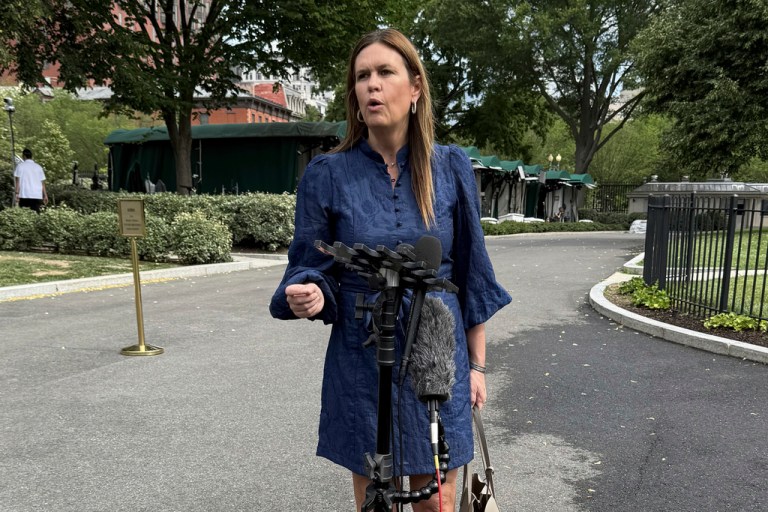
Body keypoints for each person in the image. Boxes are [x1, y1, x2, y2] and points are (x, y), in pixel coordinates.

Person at [269, 28, 511, 512]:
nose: (372, 86)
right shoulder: (327, 174)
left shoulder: (450, 166)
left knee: (436, 496)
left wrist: (478, 365)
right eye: (362, 76)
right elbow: (308, 265)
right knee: (374, 494)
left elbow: (472, 272)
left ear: (415, 87)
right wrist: (309, 291)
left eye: (384, 73)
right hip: (364, 349)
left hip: (436, 348)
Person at [14, 148, 48, 212]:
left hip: (24, 195)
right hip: (37, 195)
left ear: (24, 156)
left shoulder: (20, 166)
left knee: (24, 216)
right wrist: (45, 195)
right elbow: (42, 183)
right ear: (31, 156)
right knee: (36, 216)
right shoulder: (38, 167)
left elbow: (17, 182)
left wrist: (17, 194)